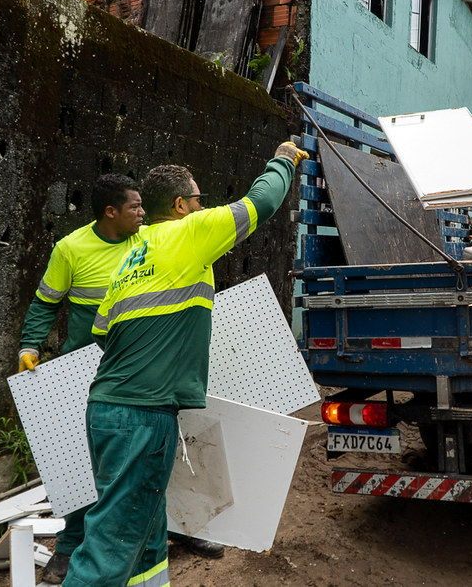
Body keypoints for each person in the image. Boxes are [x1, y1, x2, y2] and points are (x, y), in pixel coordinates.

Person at [62, 141, 307, 587]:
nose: (202, 207)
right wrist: (285, 158)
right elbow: (263, 201)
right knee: (110, 549)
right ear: (180, 206)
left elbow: (101, 333)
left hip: (108, 413)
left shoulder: (129, 260)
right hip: (142, 417)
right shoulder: (191, 232)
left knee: (148, 538)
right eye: (198, 200)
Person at [17, 173, 146, 584]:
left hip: (138, 366)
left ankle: (175, 529)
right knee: (77, 462)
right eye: (135, 207)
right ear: (111, 212)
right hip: (84, 371)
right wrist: (28, 347)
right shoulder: (70, 248)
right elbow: (44, 303)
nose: (143, 214)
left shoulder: (148, 242)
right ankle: (71, 544)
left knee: (145, 456)